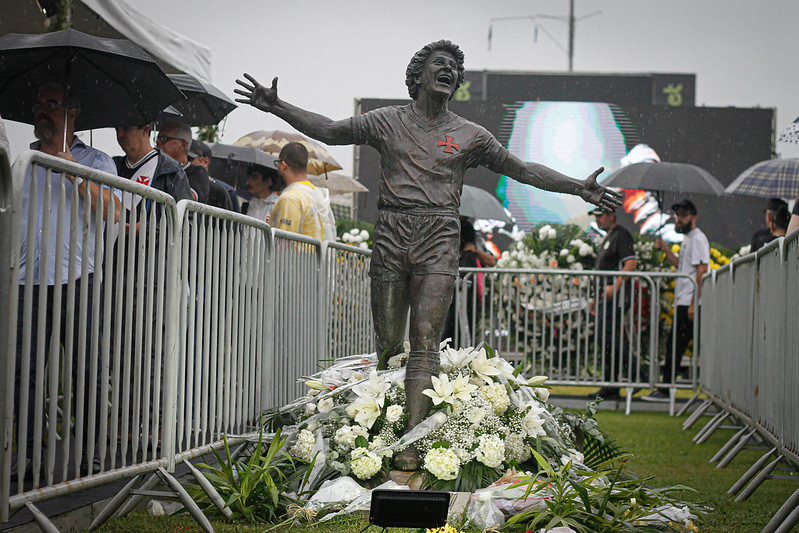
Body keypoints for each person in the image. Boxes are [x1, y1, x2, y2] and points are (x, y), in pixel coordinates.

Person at [235, 40, 620, 470]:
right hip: (392, 233)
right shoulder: (385, 122)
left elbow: (523, 169)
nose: (450, 71)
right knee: (387, 344)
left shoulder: (471, 135)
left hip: (439, 235)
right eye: (441, 64)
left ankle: (411, 442)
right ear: (418, 76)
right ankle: (380, 425)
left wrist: (577, 187)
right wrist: (277, 106)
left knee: (425, 339)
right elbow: (329, 131)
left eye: (455, 68)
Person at [14, 83, 121, 478]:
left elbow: (111, 210)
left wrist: (69, 167)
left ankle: (92, 455)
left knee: (85, 370)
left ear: (72, 113)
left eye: (52, 105)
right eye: (38, 105)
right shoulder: (21, 159)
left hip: (78, 279)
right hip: (27, 281)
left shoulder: (97, 160)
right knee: (23, 372)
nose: (42, 112)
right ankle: (26, 456)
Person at [644, 199, 709, 401]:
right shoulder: (689, 238)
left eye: (683, 215)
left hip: (690, 303)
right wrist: (664, 249)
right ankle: (666, 387)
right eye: (677, 215)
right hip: (684, 301)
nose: (678, 219)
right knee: (675, 345)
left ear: (694, 217)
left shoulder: (698, 238)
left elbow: (702, 271)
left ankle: (665, 389)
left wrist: (692, 303)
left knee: (676, 346)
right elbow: (682, 267)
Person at [588, 206, 637, 400]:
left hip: (616, 299)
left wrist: (614, 287)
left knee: (606, 337)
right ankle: (610, 385)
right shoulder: (609, 236)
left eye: (600, 215)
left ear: (611, 215)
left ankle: (636, 373)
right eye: (596, 216)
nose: (598, 219)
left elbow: (630, 264)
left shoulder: (621, 234)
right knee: (605, 339)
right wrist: (596, 296)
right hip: (605, 297)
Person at [441, 217, 496, 346]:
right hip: (448, 292)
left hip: (469, 293)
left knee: (468, 326)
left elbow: (492, 261)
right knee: (448, 325)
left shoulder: (476, 238)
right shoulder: (445, 233)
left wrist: (474, 250)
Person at [270, 142, 336, 241]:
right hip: (319, 256)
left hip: (298, 255)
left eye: (278, 163)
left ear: (283, 165)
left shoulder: (290, 198)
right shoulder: (318, 194)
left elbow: (284, 245)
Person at [114, 122, 193, 204]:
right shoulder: (113, 165)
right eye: (117, 129)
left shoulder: (171, 170)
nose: (120, 135)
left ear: (145, 129)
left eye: (126, 129)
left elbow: (185, 213)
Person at [156, 121, 210, 203]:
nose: (158, 142)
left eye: (164, 139)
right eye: (157, 138)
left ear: (183, 144)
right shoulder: (155, 167)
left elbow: (186, 201)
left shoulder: (198, 172)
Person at [188, 139, 238, 212]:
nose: (184, 162)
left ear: (205, 162)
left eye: (189, 159)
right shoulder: (177, 182)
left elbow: (232, 221)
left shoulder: (226, 192)